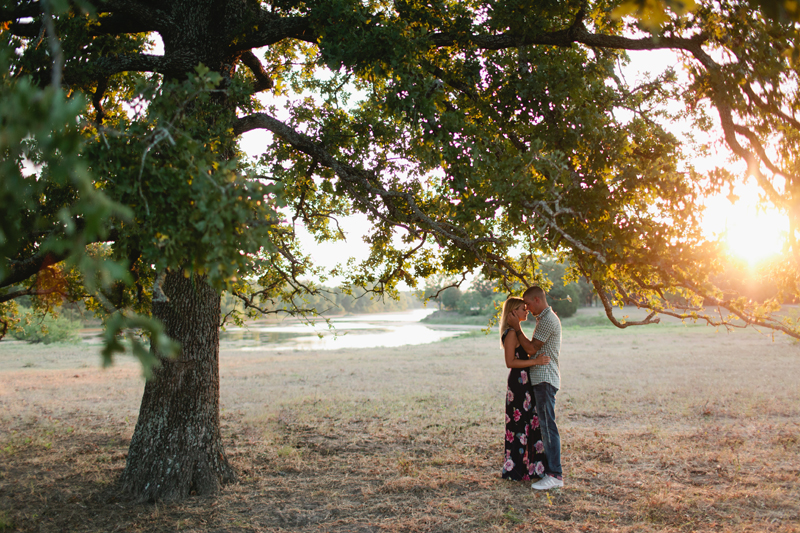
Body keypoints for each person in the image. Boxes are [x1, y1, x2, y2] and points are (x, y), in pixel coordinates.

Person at [506, 286, 564, 490]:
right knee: (544, 426)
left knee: (548, 427)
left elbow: (531, 349)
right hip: (540, 380)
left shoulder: (548, 320)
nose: (527, 309)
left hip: (545, 379)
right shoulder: (543, 319)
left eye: (528, 304)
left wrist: (517, 327)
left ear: (537, 300)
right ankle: (548, 471)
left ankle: (555, 475)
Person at [499, 297, 551, 481]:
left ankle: (531, 467)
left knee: (529, 423)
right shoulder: (511, 333)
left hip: (525, 382)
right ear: (513, 312)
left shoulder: (516, 331)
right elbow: (510, 362)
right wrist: (536, 361)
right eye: (522, 308)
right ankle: (517, 469)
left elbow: (529, 349)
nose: (526, 310)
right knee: (519, 425)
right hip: (518, 384)